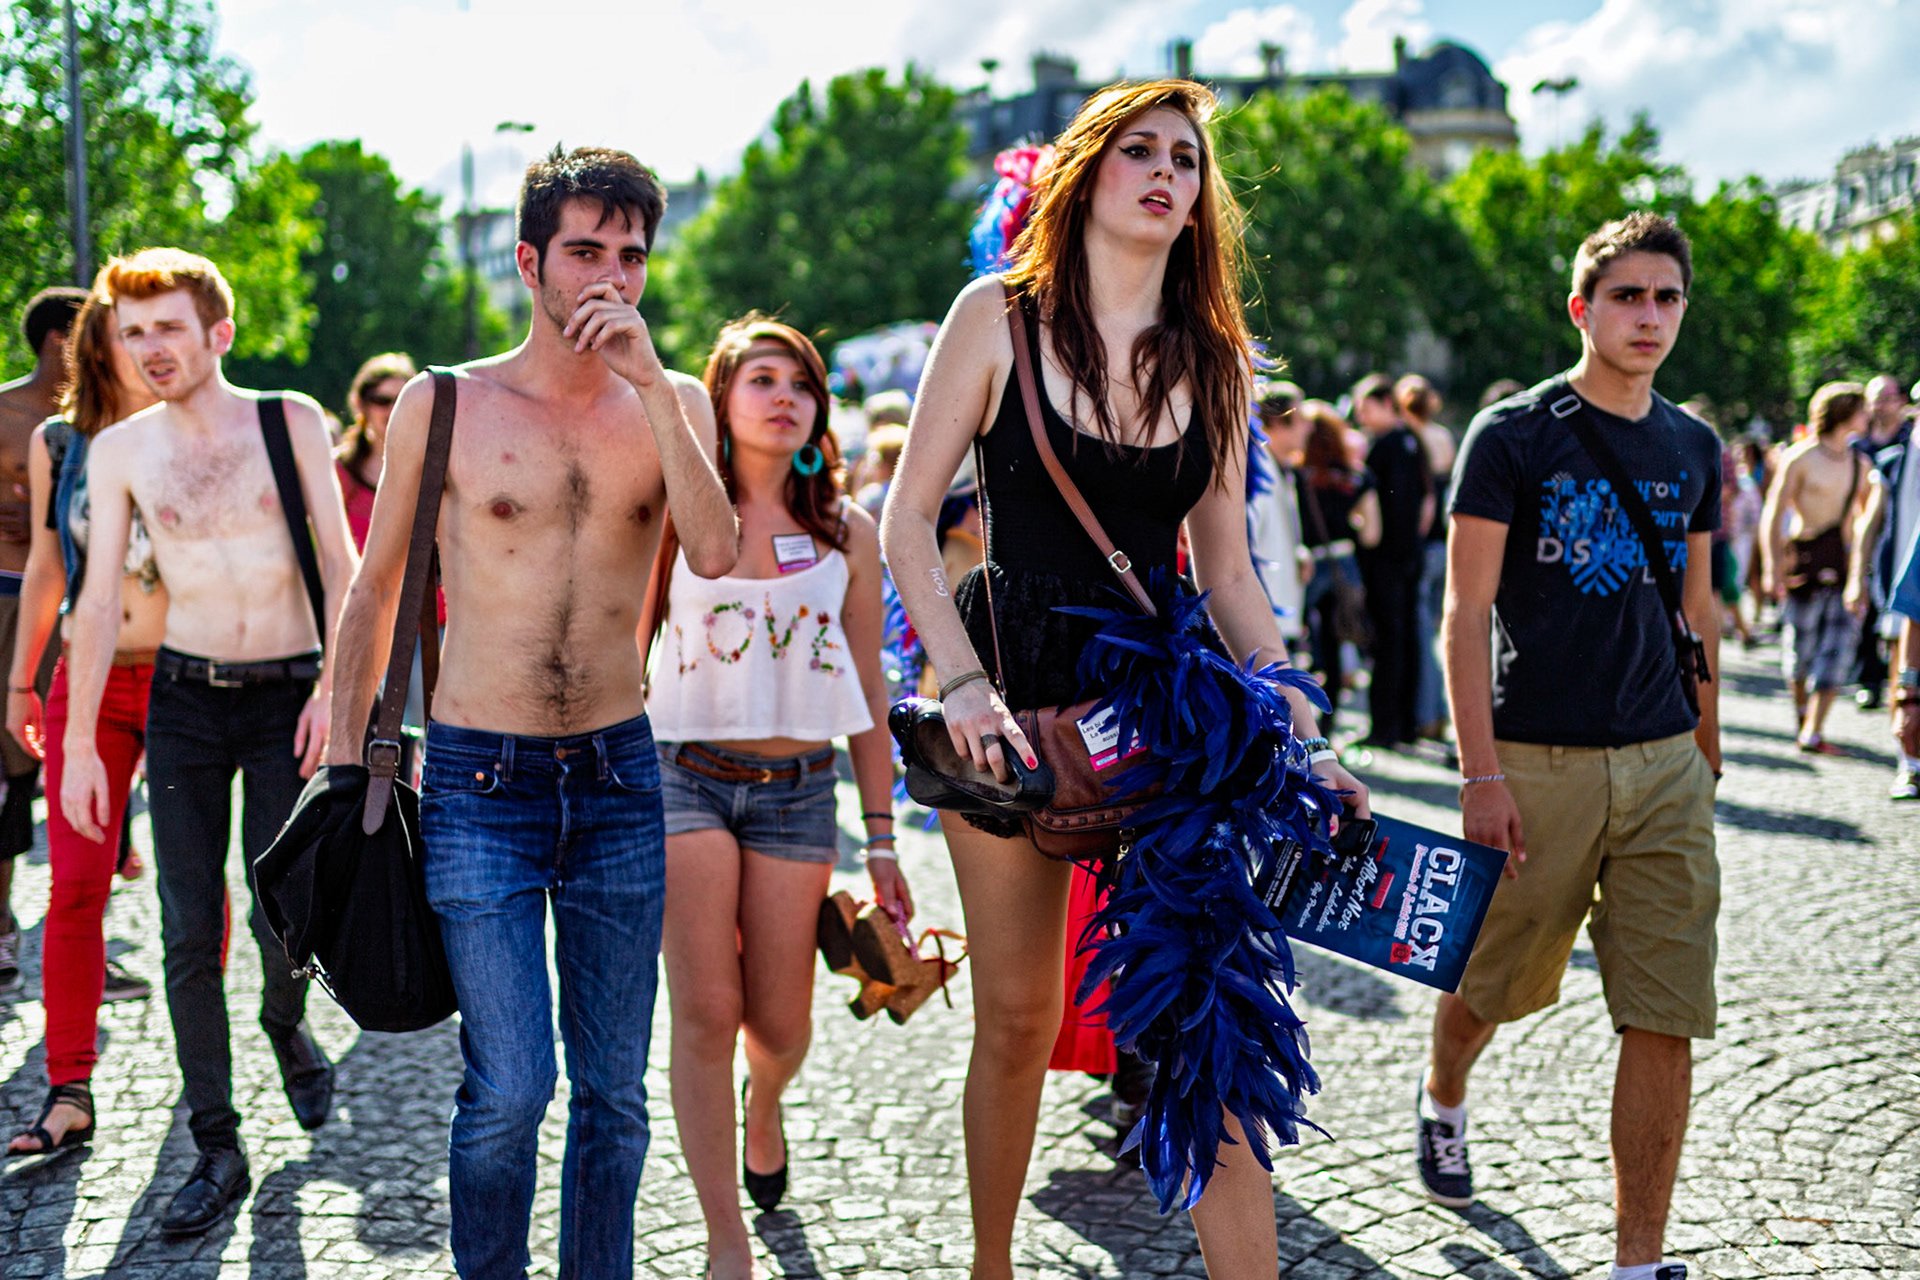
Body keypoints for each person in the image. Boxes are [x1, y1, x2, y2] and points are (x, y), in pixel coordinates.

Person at [880, 80, 1369, 1280]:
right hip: (1009, 705)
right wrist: (958, 686)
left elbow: (1233, 572)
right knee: (1019, 1021)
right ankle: (993, 1264)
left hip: (1165, 715)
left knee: (1213, 1024)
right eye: (1140, 151)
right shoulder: (996, 316)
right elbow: (904, 526)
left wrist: (1304, 724)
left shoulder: (1218, 360)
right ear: (1086, 174)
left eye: (1187, 160)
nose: (1167, 173)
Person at [325, 145, 738, 1278]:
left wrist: (658, 390)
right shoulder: (445, 400)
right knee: (511, 1085)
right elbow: (376, 576)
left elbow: (715, 549)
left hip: (616, 773)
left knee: (615, 1090)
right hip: (477, 777)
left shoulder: (676, 399)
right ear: (529, 262)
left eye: (631, 255)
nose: (610, 275)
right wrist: (335, 704)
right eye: (585, 250)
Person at [1430, 213, 1721, 1280]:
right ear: (1582, 308)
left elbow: (1697, 606)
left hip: (1662, 763)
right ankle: (1445, 1091)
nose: (1649, 317)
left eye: (1667, 298)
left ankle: (1637, 1263)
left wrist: (1709, 741)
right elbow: (1463, 615)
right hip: (1534, 759)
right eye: (1628, 297)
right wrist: (1479, 773)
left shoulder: (1694, 445)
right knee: (1492, 985)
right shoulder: (1510, 433)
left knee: (1665, 1010)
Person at [59, 249, 358, 1233]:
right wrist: (78, 746)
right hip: (185, 700)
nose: (148, 348)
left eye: (168, 327)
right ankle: (216, 1140)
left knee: (286, 914)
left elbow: (345, 568)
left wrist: (335, 691)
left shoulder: (290, 419)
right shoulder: (120, 450)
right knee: (188, 923)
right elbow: (98, 602)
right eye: (131, 330)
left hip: (288, 698)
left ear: (217, 332)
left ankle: (286, 1022)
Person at [645, 317, 909, 1280]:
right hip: (686, 782)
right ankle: (726, 1242)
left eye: (801, 383)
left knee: (782, 1028)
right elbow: (627, 650)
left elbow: (872, 692)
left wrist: (882, 842)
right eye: (762, 378)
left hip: (802, 794)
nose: (786, 396)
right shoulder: (672, 512)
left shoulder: (847, 530)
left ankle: (768, 1105)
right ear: (720, 399)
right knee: (707, 1013)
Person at [3, 284, 165, 1157]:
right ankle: (69, 1088)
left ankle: (207, 1080)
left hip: (188, 685)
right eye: (118, 336)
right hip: (88, 685)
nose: (134, 351)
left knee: (190, 885)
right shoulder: (58, 440)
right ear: (91, 347)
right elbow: (43, 569)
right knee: (73, 882)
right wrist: (23, 684)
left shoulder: (196, 430)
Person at [0, 286, 87, 991]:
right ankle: (1, 927)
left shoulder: (95, 424)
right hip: (6, 600)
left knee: (65, 773)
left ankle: (77, 936)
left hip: (76, 613)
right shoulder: (5, 412)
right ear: (60, 339)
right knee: (6, 775)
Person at [1761, 382, 1872, 753]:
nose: (1867, 415)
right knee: (1800, 651)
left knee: (1837, 650)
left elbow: (1864, 525)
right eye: (1861, 408)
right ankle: (1801, 715)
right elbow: (1773, 514)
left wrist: (1860, 575)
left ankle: (1814, 729)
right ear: (1844, 412)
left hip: (1840, 570)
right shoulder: (1801, 457)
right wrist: (1771, 568)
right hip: (1803, 567)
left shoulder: (1861, 464)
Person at [1353, 372, 1431, 748]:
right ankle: (1407, 724)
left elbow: (1375, 511)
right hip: (1410, 555)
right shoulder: (1414, 442)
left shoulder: (1385, 446)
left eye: (1365, 409)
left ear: (1386, 405)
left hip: (1386, 559)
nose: (1360, 418)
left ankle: (1386, 726)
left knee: (1389, 642)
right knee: (1407, 639)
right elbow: (1427, 503)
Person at [1296, 400, 1381, 734]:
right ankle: (1327, 727)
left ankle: (1292, 721)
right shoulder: (1357, 477)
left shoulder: (1295, 475)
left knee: (1292, 642)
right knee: (1335, 646)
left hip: (1302, 563)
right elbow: (1372, 534)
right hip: (1341, 563)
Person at [1853, 379, 1920, 796]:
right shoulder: (1896, 460)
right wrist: (1856, 576)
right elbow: (1869, 524)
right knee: (1901, 663)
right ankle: (1909, 761)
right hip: (1900, 576)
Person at [1849, 375, 1910, 708]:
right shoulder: (1859, 446)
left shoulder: (1908, 441)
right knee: (1870, 613)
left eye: (1886, 397)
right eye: (1874, 398)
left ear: (1901, 400)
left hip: (1902, 537)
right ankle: (1869, 679)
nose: (1880, 405)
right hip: (1875, 539)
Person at [1398, 373, 1452, 740]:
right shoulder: (1445, 438)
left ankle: (1429, 714)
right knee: (1434, 633)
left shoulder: (1412, 440)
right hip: (1443, 546)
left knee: (1420, 633)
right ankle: (1436, 714)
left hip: (1422, 546)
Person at [1246, 381, 1310, 651]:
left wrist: (1298, 552)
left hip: (1278, 615)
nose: (1309, 426)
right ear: (1279, 422)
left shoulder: (1280, 468)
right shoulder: (1255, 474)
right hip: (1260, 620)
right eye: (1301, 418)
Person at [334, 352, 417, 550]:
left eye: (401, 400)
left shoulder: (433, 469)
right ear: (360, 404)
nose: (392, 410)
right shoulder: (338, 470)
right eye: (382, 400)